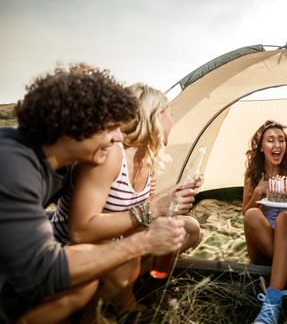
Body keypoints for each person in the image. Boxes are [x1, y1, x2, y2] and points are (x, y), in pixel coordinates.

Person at [0, 65, 189, 323]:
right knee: (84, 285)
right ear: (74, 124)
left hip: (22, 264)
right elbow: (45, 268)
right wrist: (143, 241)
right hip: (18, 276)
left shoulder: (59, 166)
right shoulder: (12, 164)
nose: (118, 137)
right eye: (111, 127)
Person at [50, 83, 201, 315]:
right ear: (155, 116)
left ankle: (120, 291)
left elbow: (142, 209)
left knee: (190, 228)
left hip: (116, 237)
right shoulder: (111, 154)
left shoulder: (150, 159)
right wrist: (151, 212)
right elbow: (80, 231)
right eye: (170, 113)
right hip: (73, 248)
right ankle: (87, 313)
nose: (174, 119)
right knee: (127, 265)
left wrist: (175, 193)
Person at [242, 120, 287, 324]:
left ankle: (272, 302)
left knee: (285, 217)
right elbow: (245, 214)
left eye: (281, 140)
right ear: (261, 147)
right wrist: (257, 192)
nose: (277, 145)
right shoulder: (253, 173)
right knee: (252, 215)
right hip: (263, 246)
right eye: (271, 140)